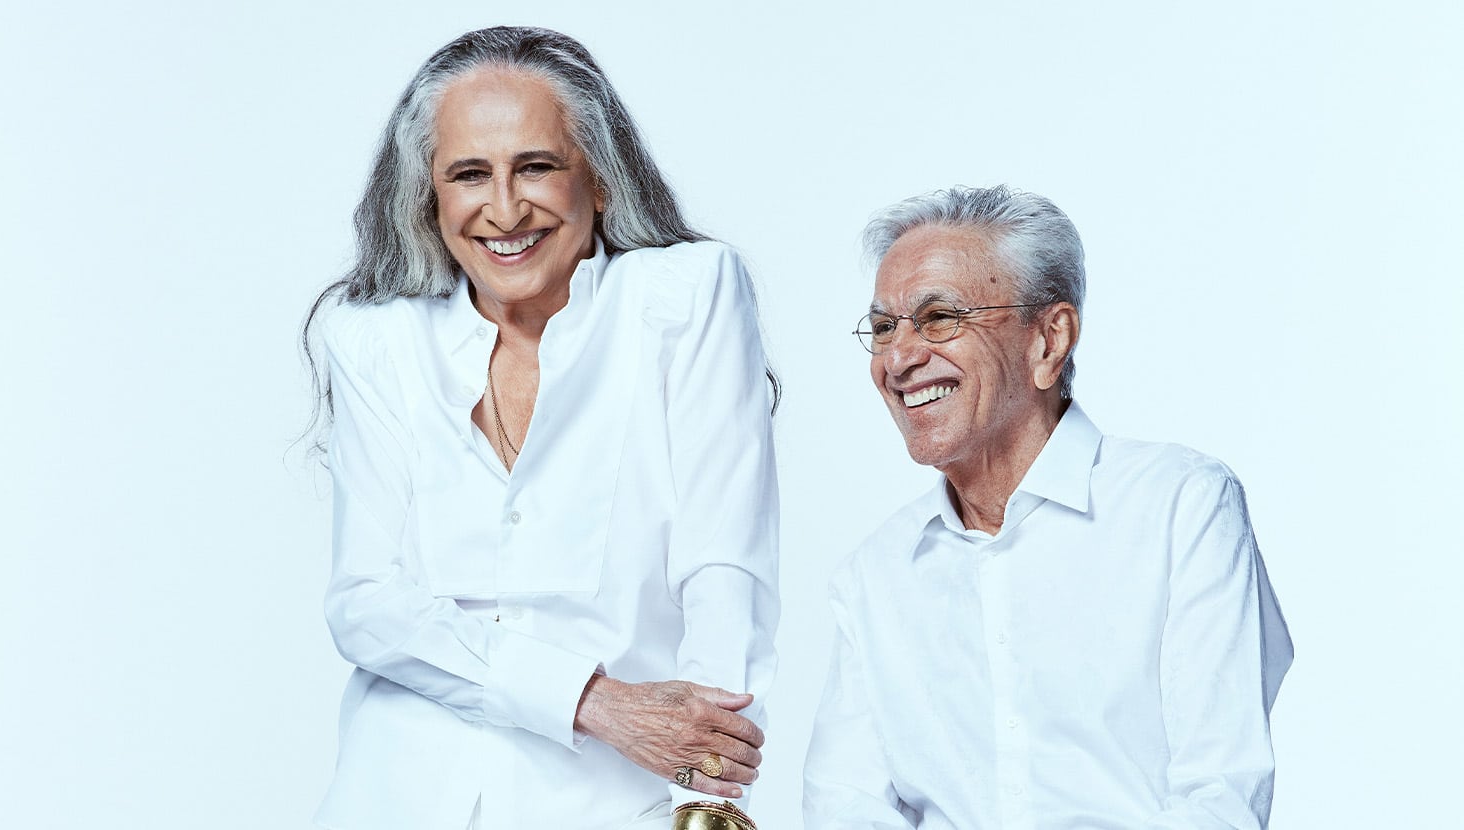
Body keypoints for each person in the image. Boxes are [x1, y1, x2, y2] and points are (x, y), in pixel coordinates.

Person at [303, 27, 779, 830]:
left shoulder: (683, 298)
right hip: (398, 799)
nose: (504, 208)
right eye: (469, 174)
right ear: (429, 197)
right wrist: (591, 701)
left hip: (612, 806)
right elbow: (367, 604)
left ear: (599, 178)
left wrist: (703, 803)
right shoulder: (375, 338)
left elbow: (724, 571)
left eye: (535, 166)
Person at [803, 185, 1293, 829]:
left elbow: (1220, 799)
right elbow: (844, 808)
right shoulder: (875, 574)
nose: (899, 358)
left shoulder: (1180, 505)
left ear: (1048, 340)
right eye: (884, 328)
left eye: (939, 317)